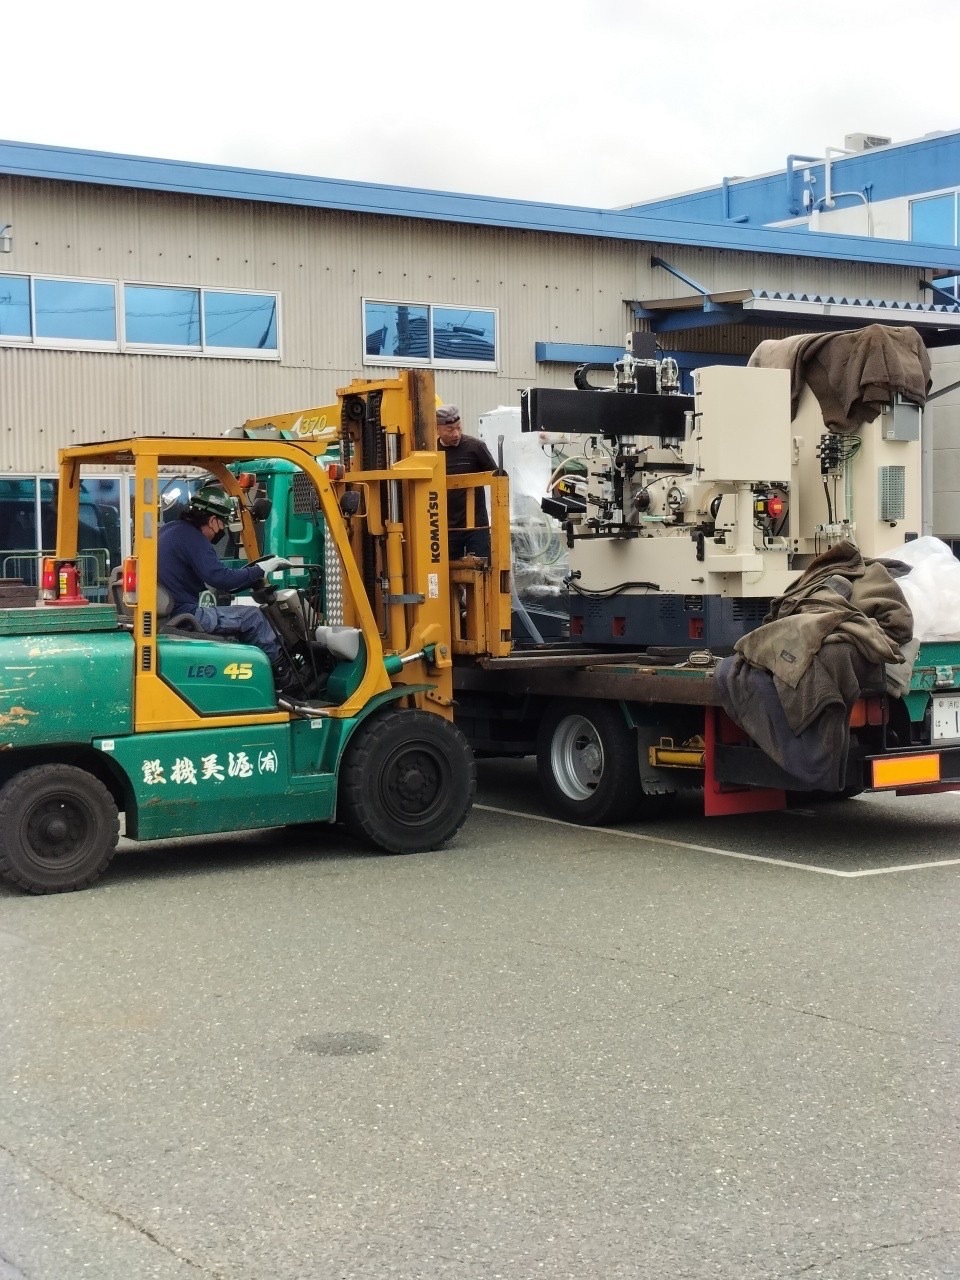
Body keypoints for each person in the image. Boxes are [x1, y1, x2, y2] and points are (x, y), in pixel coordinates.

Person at [157, 487, 294, 689]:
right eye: (223, 523)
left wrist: (250, 575)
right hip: (185, 613)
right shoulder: (194, 539)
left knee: (241, 617)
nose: (222, 529)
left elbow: (223, 579)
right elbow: (220, 578)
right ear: (213, 520)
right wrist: (260, 570)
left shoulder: (169, 530)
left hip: (172, 611)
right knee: (253, 617)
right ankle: (285, 679)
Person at [436, 404, 501, 560]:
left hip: (476, 526)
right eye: (450, 430)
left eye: (459, 428)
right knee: (445, 568)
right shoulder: (431, 452)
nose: (456, 434)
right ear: (437, 429)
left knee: (482, 567)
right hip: (446, 526)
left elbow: (498, 479)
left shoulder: (475, 447)